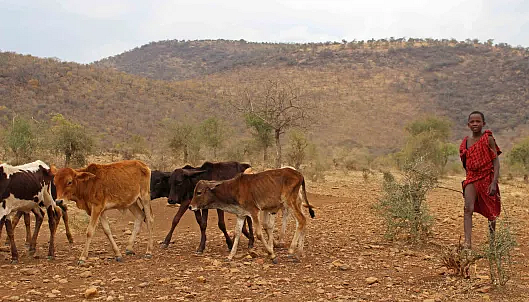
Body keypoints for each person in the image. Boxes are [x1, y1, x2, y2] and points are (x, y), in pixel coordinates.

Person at [459, 111, 501, 249]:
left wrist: (494, 182)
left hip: (487, 177)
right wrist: (466, 185)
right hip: (471, 178)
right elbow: (466, 163)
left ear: (483, 123)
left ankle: (492, 243)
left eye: (478, 121)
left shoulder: (487, 138)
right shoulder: (465, 142)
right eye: (472, 122)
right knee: (467, 209)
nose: (475, 124)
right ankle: (467, 243)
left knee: (491, 212)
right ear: (468, 125)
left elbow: (496, 162)